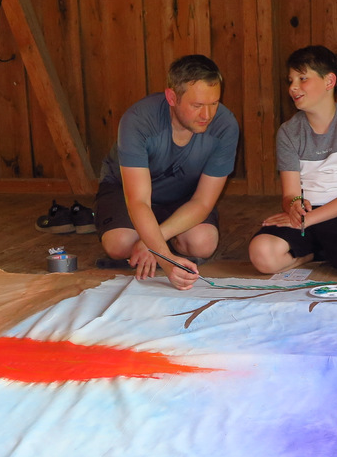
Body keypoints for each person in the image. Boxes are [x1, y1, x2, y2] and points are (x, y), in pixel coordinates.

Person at [95, 55, 240, 290]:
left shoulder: (226, 125)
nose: (207, 115)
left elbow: (203, 201)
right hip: (128, 192)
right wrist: (165, 259)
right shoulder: (138, 120)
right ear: (172, 97)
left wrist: (153, 242)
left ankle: (155, 237)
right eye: (197, 106)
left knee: (203, 243)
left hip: (184, 195)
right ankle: (155, 240)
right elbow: (138, 201)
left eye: (214, 103)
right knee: (120, 244)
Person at [249, 45, 337, 278]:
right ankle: (316, 252)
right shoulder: (288, 132)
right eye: (291, 80)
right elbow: (290, 194)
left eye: (302, 78)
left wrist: (307, 220)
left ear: (329, 81)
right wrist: (294, 206)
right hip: (307, 216)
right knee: (262, 254)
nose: (293, 87)